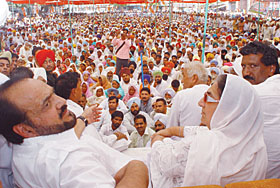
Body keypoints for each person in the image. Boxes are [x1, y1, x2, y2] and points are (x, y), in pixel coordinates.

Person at [0, 78, 149, 188]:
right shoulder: (70, 160)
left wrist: (83, 119)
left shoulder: (24, 148)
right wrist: (136, 168)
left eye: (53, 94)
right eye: (47, 104)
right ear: (25, 129)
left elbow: (67, 138)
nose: (62, 102)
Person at [150, 74, 267, 188]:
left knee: (137, 167)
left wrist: (157, 140)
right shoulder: (258, 147)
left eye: (209, 97)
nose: (200, 103)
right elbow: (192, 130)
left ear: (228, 107)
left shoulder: (203, 144)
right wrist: (170, 131)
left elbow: (166, 162)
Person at [241, 41, 280, 178]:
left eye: (253, 66)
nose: (246, 72)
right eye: (243, 66)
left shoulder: (254, 94)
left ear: (271, 69)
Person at [168, 61, 209, 127]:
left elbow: (171, 127)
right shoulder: (217, 95)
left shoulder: (181, 95)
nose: (182, 81)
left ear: (194, 78)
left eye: (184, 76)